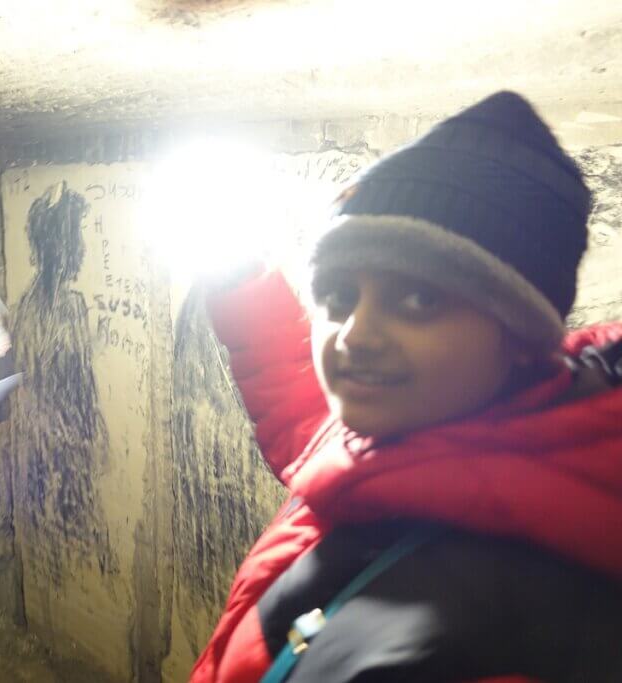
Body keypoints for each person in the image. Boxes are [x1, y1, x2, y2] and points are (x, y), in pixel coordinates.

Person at [191, 91, 622, 682]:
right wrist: (240, 283)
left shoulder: (509, 638)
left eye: (419, 299)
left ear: (519, 338)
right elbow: (315, 428)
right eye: (340, 296)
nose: (355, 335)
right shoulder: (415, 423)